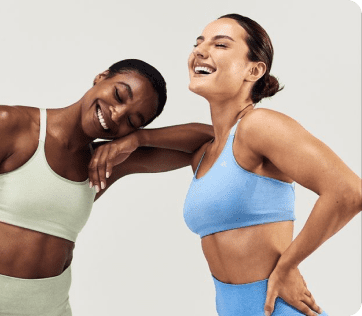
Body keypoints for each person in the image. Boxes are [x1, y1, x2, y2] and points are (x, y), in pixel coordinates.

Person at [89, 15, 361, 316]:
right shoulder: (205, 154)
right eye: (198, 43)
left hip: (278, 309)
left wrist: (288, 265)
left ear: (254, 70)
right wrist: (139, 138)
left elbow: (349, 191)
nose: (200, 51)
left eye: (220, 45)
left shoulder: (259, 125)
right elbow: (202, 135)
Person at [0, 59, 214, 316]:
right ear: (101, 77)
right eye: (119, 95)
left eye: (132, 120)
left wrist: (140, 138)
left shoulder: (104, 164)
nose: (117, 114)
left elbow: (214, 141)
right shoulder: (10, 125)